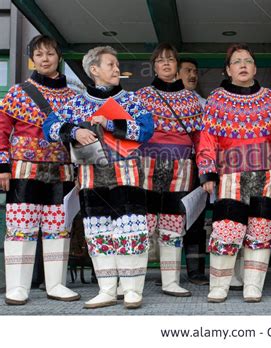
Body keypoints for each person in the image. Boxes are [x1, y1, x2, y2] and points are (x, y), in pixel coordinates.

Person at [43, 46, 154, 309]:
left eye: (117, 65)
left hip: (126, 175)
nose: (117, 69)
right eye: (111, 65)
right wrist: (73, 132)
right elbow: (50, 126)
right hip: (91, 176)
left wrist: (111, 124)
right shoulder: (77, 103)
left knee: (131, 230)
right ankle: (106, 289)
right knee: (98, 233)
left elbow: (147, 129)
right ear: (94, 70)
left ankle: (131, 290)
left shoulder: (132, 100)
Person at [197, 43, 271, 303]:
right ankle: (219, 286)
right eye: (237, 61)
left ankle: (253, 286)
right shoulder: (217, 99)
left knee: (261, 230)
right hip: (230, 175)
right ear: (228, 69)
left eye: (248, 60)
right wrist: (207, 172)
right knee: (226, 230)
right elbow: (207, 138)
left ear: (255, 67)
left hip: (267, 175)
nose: (243, 65)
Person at [0, 35, 79, 305]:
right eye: (39, 54)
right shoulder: (17, 92)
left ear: (59, 57)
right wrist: (2, 166)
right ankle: (17, 287)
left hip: (62, 170)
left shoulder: (73, 97)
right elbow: (1, 130)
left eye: (50, 54)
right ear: (31, 59)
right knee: (21, 228)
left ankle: (56, 284)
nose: (45, 59)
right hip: (24, 170)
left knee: (59, 228)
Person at [135, 43, 203, 297]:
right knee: (145, 222)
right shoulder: (140, 96)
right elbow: (131, 134)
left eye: (170, 60)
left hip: (182, 165)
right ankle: (134, 281)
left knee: (173, 222)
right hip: (146, 165)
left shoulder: (190, 99)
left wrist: (205, 169)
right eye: (160, 60)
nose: (166, 64)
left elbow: (199, 137)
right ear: (153, 66)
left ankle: (171, 281)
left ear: (176, 65)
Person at [177, 57, 209, 286]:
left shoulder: (204, 103)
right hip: (171, 165)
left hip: (197, 164)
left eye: (195, 70)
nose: (193, 75)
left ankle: (196, 271)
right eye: (187, 70)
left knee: (195, 218)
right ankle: (172, 271)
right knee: (171, 218)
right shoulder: (166, 99)